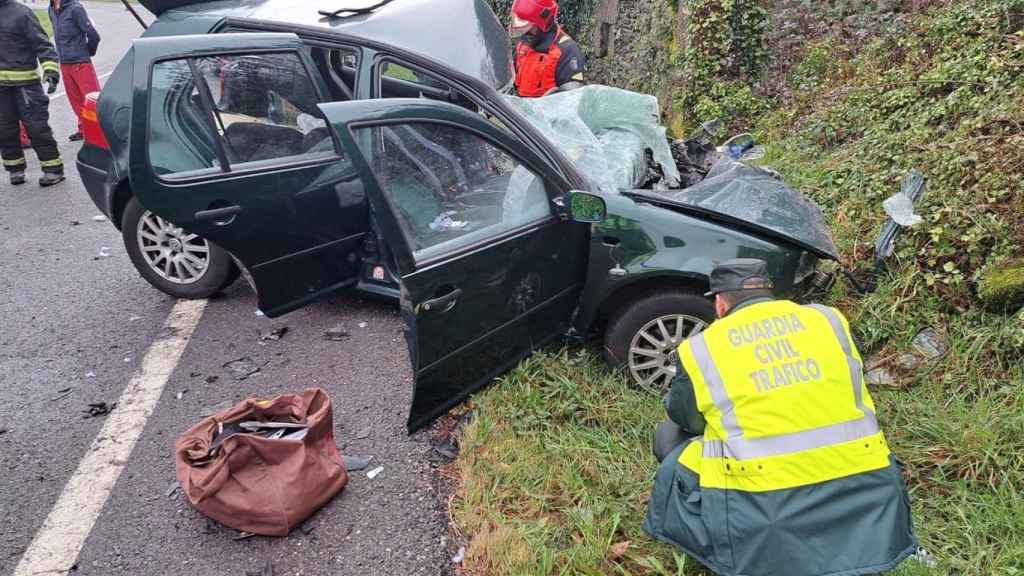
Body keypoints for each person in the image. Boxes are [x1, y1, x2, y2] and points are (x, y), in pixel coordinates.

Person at [644, 258, 918, 576]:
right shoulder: (828, 320)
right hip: (867, 477)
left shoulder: (702, 348)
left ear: (720, 304)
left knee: (669, 436)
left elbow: (685, 418)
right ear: (769, 293)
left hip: (763, 501)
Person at [0, 0, 64, 186]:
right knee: (5, 130)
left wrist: (51, 71)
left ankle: (53, 169)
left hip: (26, 86)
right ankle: (15, 169)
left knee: (37, 128)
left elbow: (43, 45)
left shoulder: (22, 13)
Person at [508, 0, 585, 98]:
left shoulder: (567, 51)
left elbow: (572, 99)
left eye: (530, 27)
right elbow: (510, 78)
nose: (525, 32)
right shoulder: (524, 44)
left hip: (547, 111)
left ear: (543, 22)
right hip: (518, 108)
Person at [49, 0, 100, 141]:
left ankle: (100, 131)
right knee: (76, 101)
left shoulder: (75, 8)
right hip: (65, 63)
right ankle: (85, 129)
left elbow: (94, 35)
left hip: (81, 63)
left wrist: (87, 52)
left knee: (91, 99)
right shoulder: (51, 9)